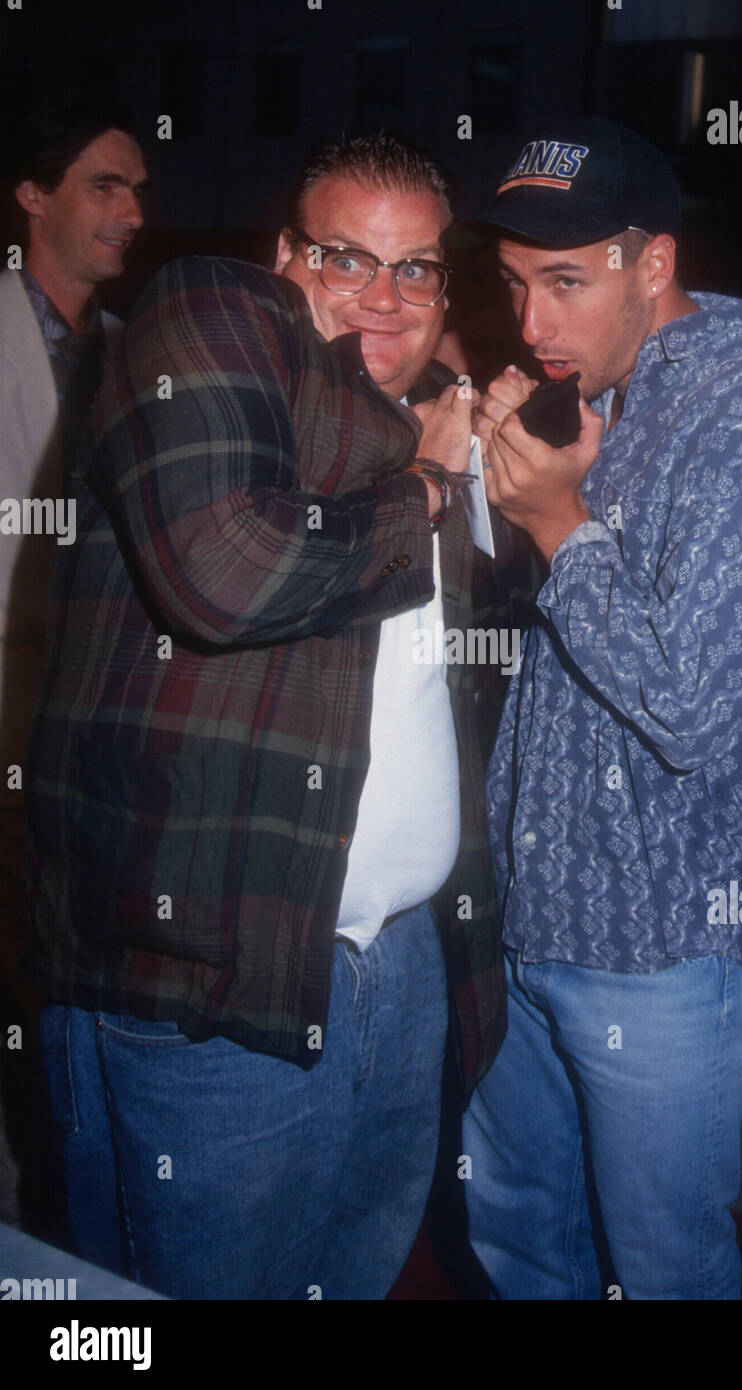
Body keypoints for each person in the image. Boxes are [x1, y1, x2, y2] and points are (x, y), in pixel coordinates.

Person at [23, 134, 508, 1299]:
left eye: (417, 270)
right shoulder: (201, 314)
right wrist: (431, 482)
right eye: (345, 257)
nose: (382, 295)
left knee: (349, 1276)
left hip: (397, 969)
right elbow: (227, 575)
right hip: (211, 992)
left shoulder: (428, 435)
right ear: (284, 259)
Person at [464, 117, 742, 1300]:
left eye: (565, 283)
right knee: (519, 1243)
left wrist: (552, 522)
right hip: (529, 925)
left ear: (654, 265)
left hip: (661, 960)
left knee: (663, 1278)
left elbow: (687, 704)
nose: (532, 323)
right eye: (512, 285)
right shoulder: (598, 395)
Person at [0, 95, 146, 1229]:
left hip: (85, 728)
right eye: (106, 183)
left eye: (139, 189)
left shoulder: (127, 354)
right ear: (32, 195)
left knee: (60, 992)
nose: (133, 209)